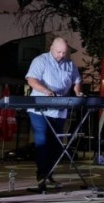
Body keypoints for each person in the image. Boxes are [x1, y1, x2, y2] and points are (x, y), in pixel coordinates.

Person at [25, 37, 83, 192]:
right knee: (43, 141)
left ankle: (49, 174)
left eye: (64, 52)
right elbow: (31, 79)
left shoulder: (70, 64)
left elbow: (76, 80)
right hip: (40, 109)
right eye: (59, 52)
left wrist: (78, 92)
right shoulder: (40, 60)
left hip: (60, 110)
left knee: (57, 145)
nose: (61, 55)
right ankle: (41, 176)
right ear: (51, 48)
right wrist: (46, 91)